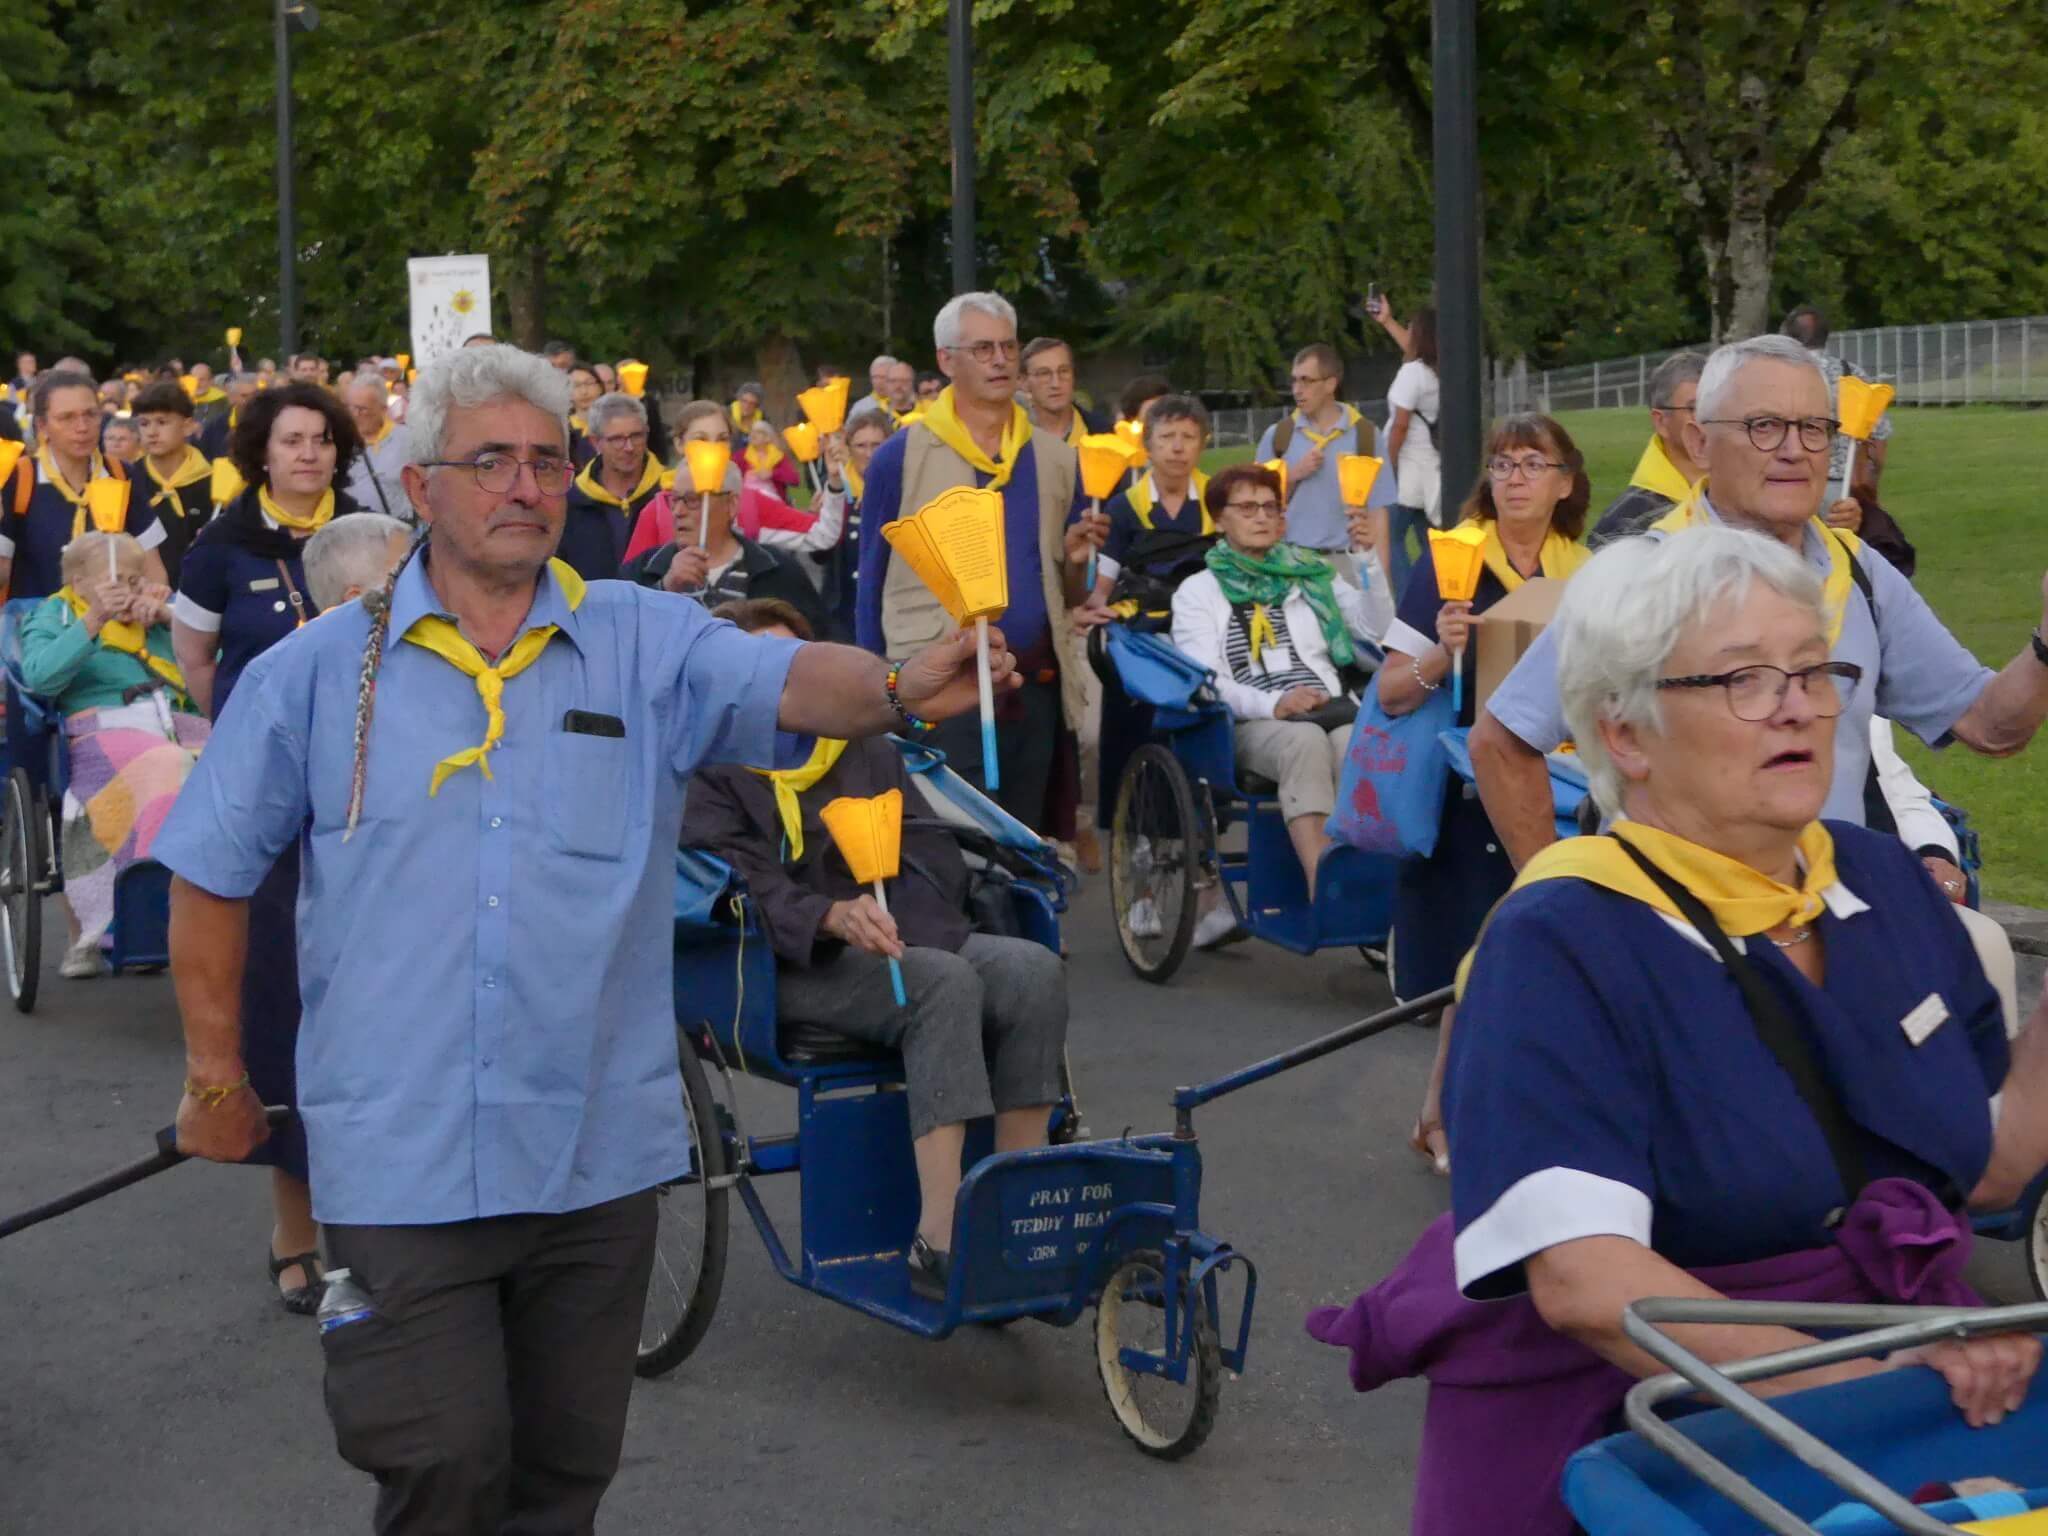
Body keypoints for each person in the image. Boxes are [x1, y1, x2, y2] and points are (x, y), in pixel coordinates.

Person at [158, 342, 1019, 1536]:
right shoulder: (313, 675)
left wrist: (895, 677)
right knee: (444, 1464)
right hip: (399, 1159)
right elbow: (206, 872)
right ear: (421, 489)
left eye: (547, 462)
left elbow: (786, 678)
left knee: (564, 1482)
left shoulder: (643, 640)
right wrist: (214, 1075)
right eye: (491, 461)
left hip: (593, 1155)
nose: (524, 485)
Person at [1310, 525, 2048, 1536]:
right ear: (1623, 733)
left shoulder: (1875, 879)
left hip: (1888, 1434)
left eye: (1813, 669)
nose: (1795, 704)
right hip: (1623, 1457)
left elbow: (1988, 1164)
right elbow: (1584, 1282)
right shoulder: (1559, 940)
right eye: (1743, 679)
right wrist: (1873, 1377)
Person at [1470, 333, 2048, 874]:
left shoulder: (1860, 571)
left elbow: (1991, 726)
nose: (1794, 450)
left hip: (1825, 930)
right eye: (1765, 426)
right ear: (1699, 441)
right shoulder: (1642, 577)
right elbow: (1501, 741)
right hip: (1681, 940)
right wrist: (1554, 896)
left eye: (1814, 427)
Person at [682, 596, 1067, 1296]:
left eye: (791, 664)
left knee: (1029, 969)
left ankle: (1018, 1204)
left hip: (900, 937)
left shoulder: (864, 745)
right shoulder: (709, 769)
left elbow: (932, 853)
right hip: (785, 961)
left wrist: (894, 892)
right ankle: (941, 1237)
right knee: (938, 981)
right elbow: (736, 881)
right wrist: (829, 913)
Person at [1379, 414, 1592, 1001]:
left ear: (1565, 482)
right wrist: (1444, 656)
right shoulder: (1454, 562)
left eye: (1532, 464)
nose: (1514, 479)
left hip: (1565, 762)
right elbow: (1391, 692)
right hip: (1465, 763)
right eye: (1502, 465)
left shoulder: (1584, 570)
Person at [856, 291, 1087, 832]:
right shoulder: (902, 455)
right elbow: (873, 575)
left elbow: (1070, 591)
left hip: (1033, 683)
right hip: (939, 684)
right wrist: (875, 689)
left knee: (1027, 844)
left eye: (1007, 347)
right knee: (953, 846)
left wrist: (1079, 562)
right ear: (946, 359)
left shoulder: (1055, 458)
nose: (1000, 360)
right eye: (982, 349)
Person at [1170, 463, 1382, 895]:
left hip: (1329, 708)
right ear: (1219, 518)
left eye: (1271, 507)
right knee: (1303, 743)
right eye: (1247, 507)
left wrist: (1367, 561)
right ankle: (1322, 883)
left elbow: (1376, 631)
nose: (1262, 516)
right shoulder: (1198, 591)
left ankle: (1366, 880)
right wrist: (1275, 705)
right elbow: (1206, 679)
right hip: (1250, 722)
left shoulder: (1311, 575)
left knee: (1355, 743)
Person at [17, 531, 203, 978]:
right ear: (80, 583)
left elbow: (213, 648)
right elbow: (40, 677)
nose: (128, 588)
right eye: (115, 580)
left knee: (231, 766)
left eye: (135, 578)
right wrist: (95, 620)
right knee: (165, 766)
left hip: (177, 717)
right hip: (101, 725)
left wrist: (168, 615)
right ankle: (143, 909)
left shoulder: (154, 609)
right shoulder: (55, 613)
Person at [2, 369, 168, 606]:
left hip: (111, 633)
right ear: (42, 425)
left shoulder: (120, 474)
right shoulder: (19, 477)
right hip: (38, 632)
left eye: (91, 414)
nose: (82, 427)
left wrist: (151, 598)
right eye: (67, 417)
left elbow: (152, 567)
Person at [622, 460, 828, 634]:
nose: (677, 511)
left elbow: (813, 647)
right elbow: (619, 635)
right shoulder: (645, 570)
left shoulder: (778, 572)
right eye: (674, 499)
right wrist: (664, 588)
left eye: (692, 500)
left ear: (731, 505)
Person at [1254, 344, 1396, 585]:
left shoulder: (1366, 436)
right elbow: (1255, 503)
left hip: (1348, 564)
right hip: (1291, 562)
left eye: (1307, 381)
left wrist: (1379, 580)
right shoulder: (1278, 436)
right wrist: (1294, 473)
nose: (1297, 390)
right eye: (1294, 381)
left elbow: (1378, 513)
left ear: (1331, 384)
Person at [1587, 351, 1709, 548]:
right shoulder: (1626, 525)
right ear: (1661, 422)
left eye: (1715, 406)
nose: (1709, 418)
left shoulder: (1748, 500)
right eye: (1694, 408)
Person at [1784, 303, 1892, 499]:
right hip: (1842, 489)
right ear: (1825, 336)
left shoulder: (1777, 376)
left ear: (1789, 337)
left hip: (1790, 484)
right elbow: (1879, 436)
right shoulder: (1852, 374)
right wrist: (1870, 484)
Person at [559, 389, 664, 581]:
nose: (629, 447)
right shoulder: (571, 502)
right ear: (595, 442)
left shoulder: (668, 494)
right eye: (617, 439)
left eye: (636, 436)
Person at [1379, 307, 1442, 599]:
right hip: (1430, 468)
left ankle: (1406, 602)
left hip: (1405, 469)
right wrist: (1387, 321)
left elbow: (1400, 426)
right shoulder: (1439, 370)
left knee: (1389, 538)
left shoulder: (1412, 373)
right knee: (1429, 543)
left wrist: (1386, 465)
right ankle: (1433, 596)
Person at [129, 381, 214, 587]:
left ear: (187, 426)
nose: (152, 432)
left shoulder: (214, 481)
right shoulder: (128, 479)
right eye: (144, 423)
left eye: (162, 422)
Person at [343, 375, 413, 524]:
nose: (354, 415)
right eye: (349, 408)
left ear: (383, 410)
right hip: (352, 533)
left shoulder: (408, 439)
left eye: (362, 409)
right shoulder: (338, 443)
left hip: (398, 532)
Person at [1022, 336, 1102, 447]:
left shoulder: (1105, 435)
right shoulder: (1005, 439)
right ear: (1025, 382)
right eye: (1044, 373)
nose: (1056, 383)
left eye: (1064, 371)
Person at [741, 416, 799, 502]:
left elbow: (794, 479)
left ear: (767, 438)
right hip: (748, 501)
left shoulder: (778, 456)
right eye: (752, 431)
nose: (753, 434)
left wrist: (772, 473)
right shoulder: (742, 456)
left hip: (772, 500)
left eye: (758, 432)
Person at [565, 364, 603, 468]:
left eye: (589, 383)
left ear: (600, 387)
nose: (584, 391)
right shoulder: (563, 430)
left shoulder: (613, 424)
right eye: (576, 385)